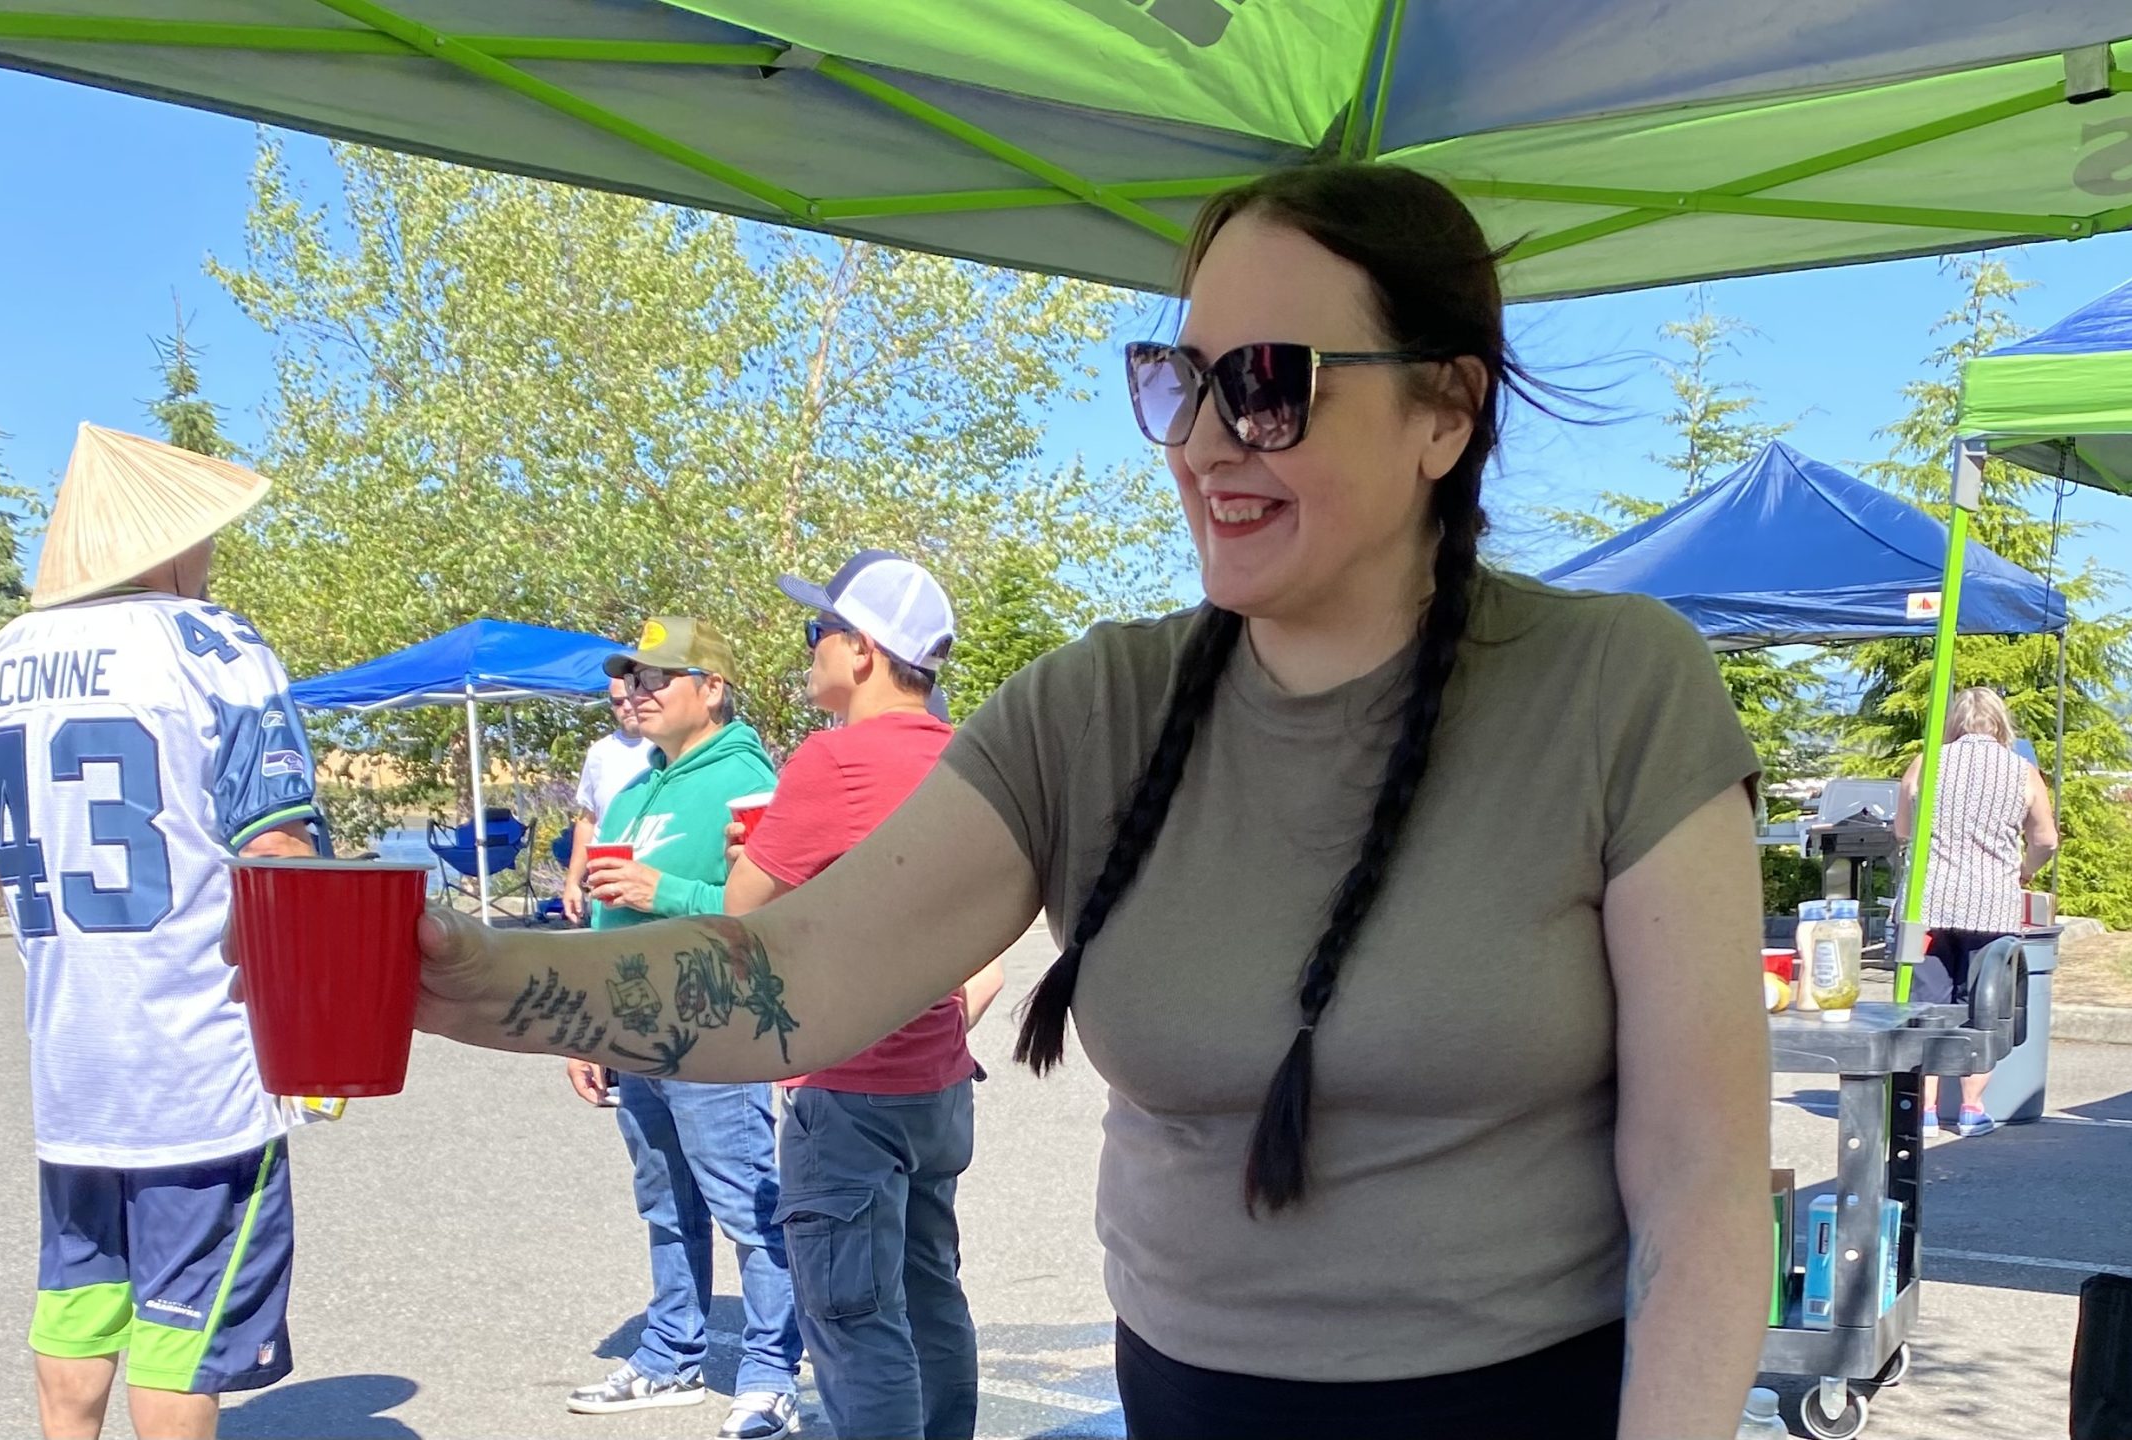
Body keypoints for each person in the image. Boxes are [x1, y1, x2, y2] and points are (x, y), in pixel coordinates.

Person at [410, 162, 1772, 1440]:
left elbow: (1702, 1180)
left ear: (1445, 412)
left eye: (1266, 386)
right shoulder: (1089, 711)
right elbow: (797, 974)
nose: (1202, 442)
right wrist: (456, 978)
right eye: (1178, 381)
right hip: (1182, 1399)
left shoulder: (1615, 688)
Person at [0, 423, 322, 1440]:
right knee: (181, 1324)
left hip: (71, 1062)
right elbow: (279, 852)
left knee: (76, 1305)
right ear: (164, 544)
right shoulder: (215, 646)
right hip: (196, 1058)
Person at [724, 551, 1008, 1440]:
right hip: (938, 1081)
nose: (809, 649)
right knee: (931, 1295)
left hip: (850, 1089)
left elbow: (745, 912)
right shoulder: (974, 758)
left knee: (853, 1322)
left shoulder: (834, 760)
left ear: (862, 651)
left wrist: (760, 846)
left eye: (819, 633)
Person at [560, 617, 804, 1439]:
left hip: (713, 1027)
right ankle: (670, 1355)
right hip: (634, 1030)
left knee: (746, 1202)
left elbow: (771, 919)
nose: (639, 692)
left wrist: (662, 890)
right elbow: (603, 918)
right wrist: (586, 1026)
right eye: (630, 678)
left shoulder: (749, 786)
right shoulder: (632, 790)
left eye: (660, 676)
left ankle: (773, 1371)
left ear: (713, 688)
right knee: (665, 1200)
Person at [1896, 686, 2058, 1138]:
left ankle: (1924, 1112)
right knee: (1981, 1007)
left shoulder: (1926, 762)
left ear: (1954, 724)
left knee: (1924, 1007)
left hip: (1926, 905)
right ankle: (1970, 1108)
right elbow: (2046, 839)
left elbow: (1902, 831)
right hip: (1992, 907)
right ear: (2001, 725)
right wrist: (2024, 871)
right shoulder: (2023, 772)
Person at [564, 675, 654, 927]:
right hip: (608, 886)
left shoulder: (667, 748)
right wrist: (572, 883)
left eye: (631, 698)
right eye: (617, 702)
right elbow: (588, 820)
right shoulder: (599, 754)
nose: (626, 706)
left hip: (655, 882)